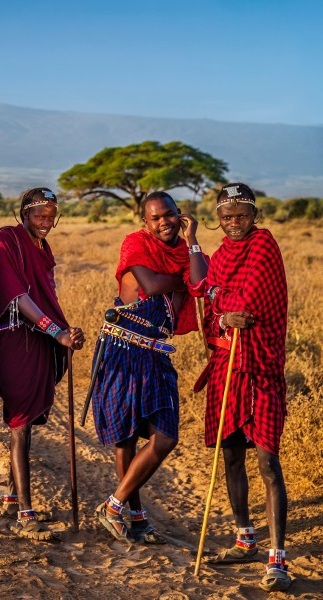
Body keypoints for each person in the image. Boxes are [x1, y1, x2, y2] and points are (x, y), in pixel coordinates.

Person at [189, 183, 291, 592]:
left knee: (267, 461)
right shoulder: (221, 255)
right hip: (226, 366)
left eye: (242, 216)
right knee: (231, 454)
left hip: (260, 368)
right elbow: (210, 306)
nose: (235, 223)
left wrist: (219, 301)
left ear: (255, 216)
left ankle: (277, 558)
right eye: (227, 217)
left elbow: (247, 305)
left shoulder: (264, 246)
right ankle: (244, 535)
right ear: (219, 218)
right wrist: (219, 306)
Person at [89, 191, 207, 544]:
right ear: (145, 222)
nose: (163, 222)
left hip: (156, 352)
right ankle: (136, 517)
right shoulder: (135, 243)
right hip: (124, 348)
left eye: (169, 215)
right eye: (155, 218)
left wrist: (194, 242)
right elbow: (152, 285)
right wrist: (182, 278)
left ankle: (113, 506)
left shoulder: (187, 252)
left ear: (179, 215)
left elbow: (200, 284)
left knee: (165, 437)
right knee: (125, 438)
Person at [0, 187, 85, 541]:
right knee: (20, 425)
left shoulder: (42, 247)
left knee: (28, 423)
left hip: (36, 339)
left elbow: (45, 295)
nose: (46, 222)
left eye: (52, 217)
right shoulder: (4, 242)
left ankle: (11, 497)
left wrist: (63, 331)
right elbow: (18, 296)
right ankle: (25, 515)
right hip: (13, 339)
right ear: (23, 213)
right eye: (40, 215)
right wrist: (57, 332)